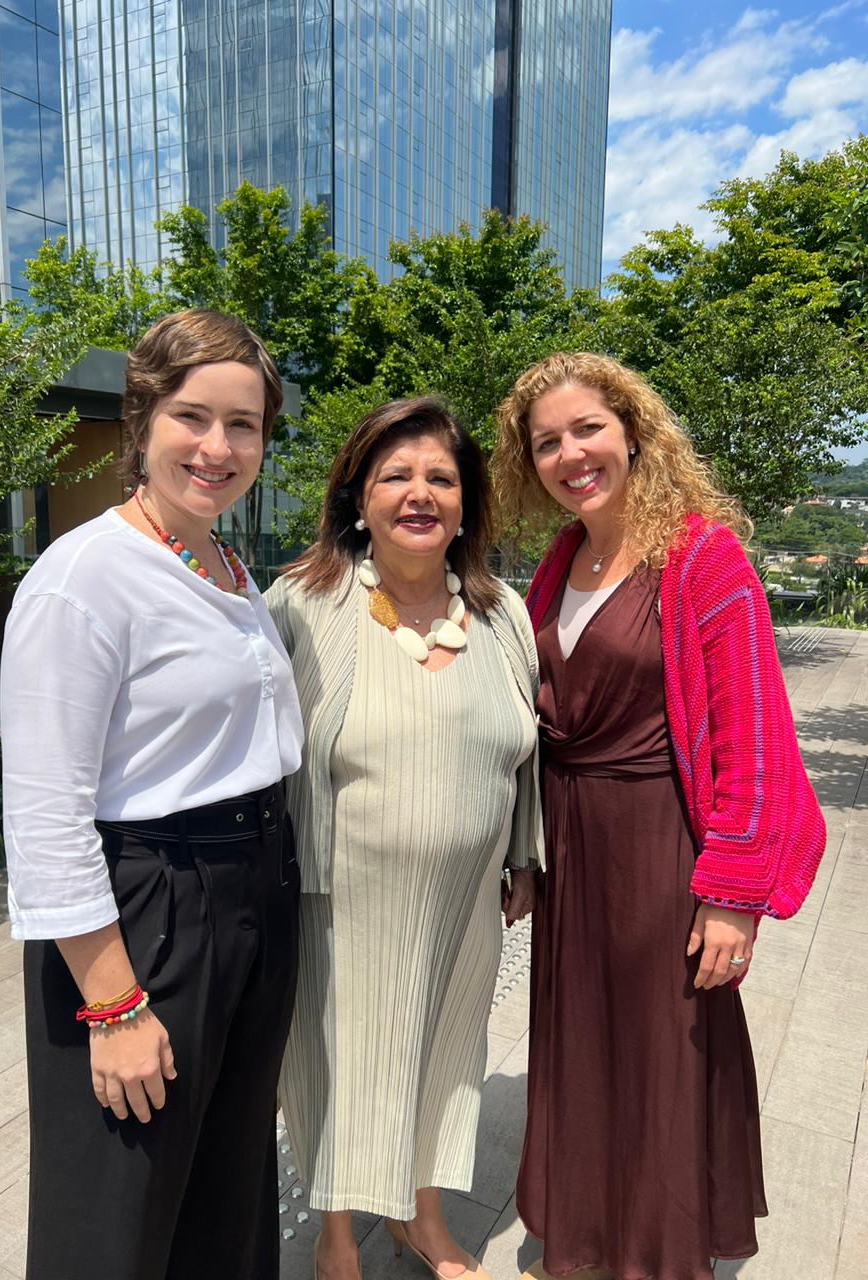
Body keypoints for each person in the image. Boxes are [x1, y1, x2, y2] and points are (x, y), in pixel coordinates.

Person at [491, 352, 826, 1280]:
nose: (570, 453)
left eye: (587, 429)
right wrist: (521, 849)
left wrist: (733, 896)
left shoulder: (700, 555)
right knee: (580, 1042)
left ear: (633, 432)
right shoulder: (558, 563)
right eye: (547, 441)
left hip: (660, 844)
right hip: (571, 843)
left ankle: (660, 1250)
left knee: (663, 1051)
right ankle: (589, 1232)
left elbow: (752, 733)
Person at [0, 309, 303, 1280]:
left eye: (245, 423)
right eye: (193, 416)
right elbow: (46, 812)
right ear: (143, 418)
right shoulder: (83, 578)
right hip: (151, 911)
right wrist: (114, 1002)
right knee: (118, 1214)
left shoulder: (220, 560)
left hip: (251, 884)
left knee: (226, 1191)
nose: (219, 446)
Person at [265, 397, 543, 1280]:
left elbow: (528, 757)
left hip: (465, 901)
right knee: (347, 1064)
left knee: (445, 1054)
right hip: (344, 899)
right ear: (357, 497)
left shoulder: (502, 615)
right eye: (396, 476)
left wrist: (523, 855)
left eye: (441, 478)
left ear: (466, 505)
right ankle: (338, 1237)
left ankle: (421, 1219)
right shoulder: (302, 606)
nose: (419, 494)